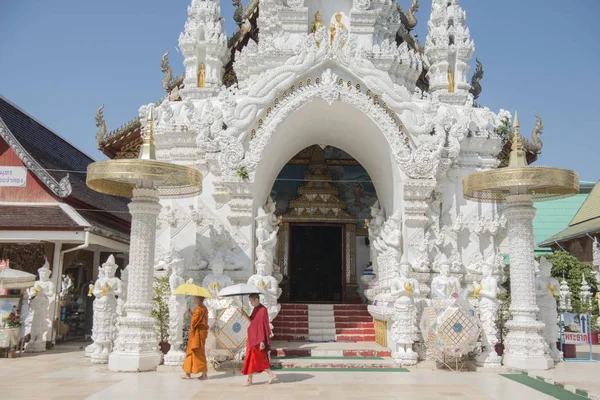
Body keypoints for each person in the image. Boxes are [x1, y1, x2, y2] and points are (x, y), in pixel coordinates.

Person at [242, 293, 277, 386]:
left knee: (258, 358)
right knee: (250, 358)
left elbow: (263, 326)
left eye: (251, 301)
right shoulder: (255, 309)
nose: (251, 303)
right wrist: (244, 314)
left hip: (258, 339)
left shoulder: (263, 310)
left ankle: (271, 374)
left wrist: (262, 341)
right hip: (252, 337)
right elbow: (251, 321)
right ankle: (250, 379)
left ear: (256, 299)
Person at [181, 296, 209, 380]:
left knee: (197, 352)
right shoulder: (203, 308)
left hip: (197, 334)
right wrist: (192, 313)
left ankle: (204, 375)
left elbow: (194, 322)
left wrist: (191, 316)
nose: (194, 299)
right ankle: (188, 373)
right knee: (193, 352)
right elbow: (199, 319)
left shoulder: (199, 309)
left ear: (198, 299)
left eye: (195, 298)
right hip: (199, 333)